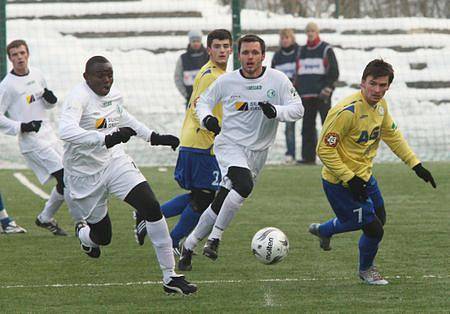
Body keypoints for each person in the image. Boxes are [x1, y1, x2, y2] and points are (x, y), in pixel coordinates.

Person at [59, 56, 197, 295]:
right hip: (84, 177)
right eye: (100, 75)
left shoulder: (114, 96)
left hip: (115, 162)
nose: (106, 79)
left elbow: (123, 117)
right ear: (86, 77)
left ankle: (170, 276)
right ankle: (84, 235)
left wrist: (153, 137)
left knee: (151, 207)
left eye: (109, 74)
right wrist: (105, 138)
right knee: (102, 237)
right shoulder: (77, 98)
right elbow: (66, 130)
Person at [178, 34, 304, 271]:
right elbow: (202, 102)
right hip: (229, 145)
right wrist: (207, 119)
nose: (250, 57)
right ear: (240, 55)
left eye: (255, 53)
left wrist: (276, 111)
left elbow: (298, 109)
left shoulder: (277, 80)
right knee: (243, 186)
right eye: (245, 52)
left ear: (263, 56)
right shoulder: (228, 81)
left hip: (258, 152)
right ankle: (215, 238)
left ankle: (190, 245)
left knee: (221, 201)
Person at [309, 59, 436, 285]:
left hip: (365, 177)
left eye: (382, 85)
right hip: (339, 182)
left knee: (379, 219)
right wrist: (349, 177)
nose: (377, 90)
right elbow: (323, 150)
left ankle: (324, 230)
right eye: (373, 84)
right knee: (374, 228)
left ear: (388, 86)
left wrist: (416, 165)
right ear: (362, 83)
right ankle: (366, 270)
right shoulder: (345, 112)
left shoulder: (380, 107)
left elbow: (392, 136)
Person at [134, 29, 233, 256]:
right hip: (202, 143)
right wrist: (211, 127)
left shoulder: (210, 71)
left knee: (198, 196)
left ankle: (147, 215)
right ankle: (173, 241)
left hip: (195, 140)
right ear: (209, 50)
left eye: (225, 46)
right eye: (217, 46)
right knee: (206, 198)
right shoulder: (212, 76)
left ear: (230, 49)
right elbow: (200, 106)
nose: (222, 50)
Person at [0, 39, 68, 236]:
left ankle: (45, 218)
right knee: (65, 177)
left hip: (49, 134)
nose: (19, 57)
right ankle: (83, 223)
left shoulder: (38, 74)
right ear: (10, 58)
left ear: (27, 54)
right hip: (31, 141)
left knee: (67, 179)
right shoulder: (6, 86)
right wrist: (21, 126)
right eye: (14, 54)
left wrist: (51, 101)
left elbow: (44, 104)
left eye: (22, 53)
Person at [295, 22, 339, 165]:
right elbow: (298, 72)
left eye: (313, 30)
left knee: (328, 126)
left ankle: (332, 156)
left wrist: (328, 88)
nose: (310, 33)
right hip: (306, 95)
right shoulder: (301, 50)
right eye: (308, 30)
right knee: (307, 127)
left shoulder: (326, 49)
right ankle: (308, 157)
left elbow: (334, 72)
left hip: (322, 95)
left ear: (317, 32)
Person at [271, 28, 300, 164]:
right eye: (282, 38)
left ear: (292, 38)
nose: (284, 40)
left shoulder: (299, 52)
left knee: (304, 126)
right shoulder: (277, 56)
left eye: (287, 38)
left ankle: (307, 153)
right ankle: (290, 153)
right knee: (288, 126)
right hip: (283, 96)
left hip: (298, 93)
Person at [174, 30, 209, 108]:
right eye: (193, 41)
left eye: (198, 41)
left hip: (208, 99)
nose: (196, 43)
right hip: (190, 99)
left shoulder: (209, 56)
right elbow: (177, 78)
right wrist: (186, 94)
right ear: (190, 42)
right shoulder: (183, 59)